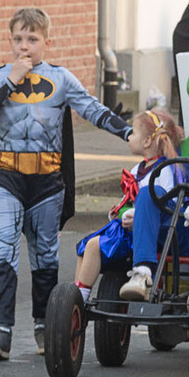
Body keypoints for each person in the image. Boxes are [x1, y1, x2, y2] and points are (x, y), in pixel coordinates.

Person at [0, 8, 133, 360]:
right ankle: (0, 330)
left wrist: (130, 134)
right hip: (3, 176)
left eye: (32, 39)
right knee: (3, 248)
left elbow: (92, 110)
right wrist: (11, 79)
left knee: (44, 254)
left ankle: (46, 326)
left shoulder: (61, 78)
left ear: (47, 42)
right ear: (10, 40)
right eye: (18, 39)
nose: (24, 46)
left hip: (46, 181)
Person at [73, 109, 183, 300]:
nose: (129, 137)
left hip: (154, 233)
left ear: (147, 141)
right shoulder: (136, 170)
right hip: (130, 229)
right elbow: (128, 201)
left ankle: (79, 299)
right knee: (85, 246)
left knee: (92, 246)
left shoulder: (164, 170)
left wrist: (138, 218)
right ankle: (74, 297)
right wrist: (117, 212)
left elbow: (168, 208)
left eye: (133, 133)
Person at [120, 111, 189, 300]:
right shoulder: (177, 152)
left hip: (182, 230)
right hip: (170, 226)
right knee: (150, 192)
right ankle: (142, 274)